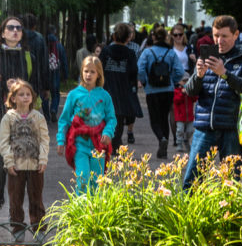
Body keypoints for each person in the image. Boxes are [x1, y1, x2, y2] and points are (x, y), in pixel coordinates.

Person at [181, 15, 242, 190]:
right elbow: (190, 91)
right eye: (216, 36)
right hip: (205, 126)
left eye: (224, 36)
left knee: (230, 182)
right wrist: (199, 75)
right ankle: (189, 216)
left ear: (236, 34)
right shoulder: (207, 55)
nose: (219, 41)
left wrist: (224, 73)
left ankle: (229, 216)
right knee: (192, 181)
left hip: (232, 128)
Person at [0, 15, 42, 222]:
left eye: (18, 28)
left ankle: (19, 214)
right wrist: (3, 87)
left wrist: (23, 88)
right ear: (3, 32)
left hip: (23, 120)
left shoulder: (28, 57)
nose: (15, 31)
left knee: (23, 166)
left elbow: (37, 86)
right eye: (10, 27)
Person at [57, 56, 117, 194]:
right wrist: (61, 140)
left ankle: (95, 213)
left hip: (99, 145)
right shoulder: (74, 95)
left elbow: (111, 118)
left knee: (97, 181)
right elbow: (65, 119)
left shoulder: (105, 96)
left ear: (99, 74)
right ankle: (81, 211)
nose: (88, 75)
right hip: (79, 144)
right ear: (81, 72)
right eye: (86, 71)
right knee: (83, 178)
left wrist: (108, 132)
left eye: (92, 72)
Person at [0, 78, 48, 240]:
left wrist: (43, 159)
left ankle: (39, 228)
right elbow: (3, 142)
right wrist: (9, 161)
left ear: (33, 97)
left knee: (36, 197)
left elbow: (44, 139)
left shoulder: (38, 117)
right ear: (13, 98)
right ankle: (18, 228)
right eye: (21, 95)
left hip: (35, 165)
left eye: (28, 94)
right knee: (15, 198)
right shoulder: (8, 118)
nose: (25, 97)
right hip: (16, 166)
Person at [137, 25, 184, 158]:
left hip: (152, 90)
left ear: (153, 37)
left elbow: (140, 69)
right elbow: (180, 71)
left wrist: (145, 81)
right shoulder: (171, 53)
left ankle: (161, 138)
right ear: (166, 37)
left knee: (154, 119)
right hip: (168, 90)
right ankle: (164, 147)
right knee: (164, 118)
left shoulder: (147, 52)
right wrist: (172, 81)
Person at [100, 23, 140, 153]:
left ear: (114, 35)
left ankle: (106, 142)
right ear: (128, 37)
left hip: (107, 88)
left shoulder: (105, 51)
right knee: (119, 118)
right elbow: (133, 72)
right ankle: (115, 143)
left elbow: (99, 69)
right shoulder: (130, 53)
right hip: (123, 90)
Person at [171, 24, 196, 152]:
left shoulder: (189, 48)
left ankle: (183, 138)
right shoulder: (170, 49)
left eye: (180, 34)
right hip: (174, 79)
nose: (178, 37)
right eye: (175, 35)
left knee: (187, 104)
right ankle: (177, 138)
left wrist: (194, 59)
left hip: (187, 77)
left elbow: (195, 64)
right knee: (174, 108)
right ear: (172, 36)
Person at [46, 27, 67, 122]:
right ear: (55, 33)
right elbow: (64, 61)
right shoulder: (59, 46)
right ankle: (53, 109)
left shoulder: (44, 44)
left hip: (45, 73)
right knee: (55, 94)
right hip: (56, 73)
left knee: (45, 94)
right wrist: (65, 75)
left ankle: (46, 115)